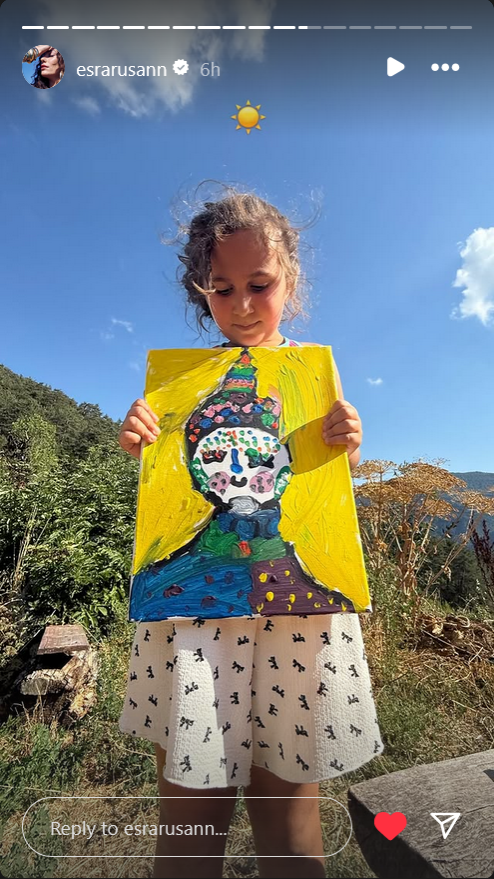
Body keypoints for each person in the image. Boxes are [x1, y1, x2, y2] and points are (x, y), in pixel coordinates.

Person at [118, 190, 383, 879]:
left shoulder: (313, 373)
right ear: (200, 291)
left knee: (290, 812)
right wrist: (142, 437)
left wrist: (348, 441)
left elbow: (326, 481)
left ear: (289, 281)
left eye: (258, 285)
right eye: (222, 287)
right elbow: (166, 484)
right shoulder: (180, 388)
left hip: (297, 619)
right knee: (190, 812)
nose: (240, 305)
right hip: (195, 621)